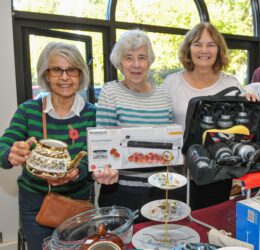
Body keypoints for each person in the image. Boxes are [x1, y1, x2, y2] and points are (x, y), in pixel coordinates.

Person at [0, 42, 96, 250]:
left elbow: (95, 155)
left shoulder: (93, 114)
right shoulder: (28, 111)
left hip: (78, 203)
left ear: (80, 75)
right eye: (56, 70)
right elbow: (4, 147)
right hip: (35, 203)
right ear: (46, 74)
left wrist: (76, 172)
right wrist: (11, 153)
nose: (64, 77)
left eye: (72, 69)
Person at [164, 22, 257, 210]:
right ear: (188, 48)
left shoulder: (231, 84)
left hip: (216, 172)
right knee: (177, 226)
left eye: (210, 44)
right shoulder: (171, 83)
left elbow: (242, 128)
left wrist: (249, 102)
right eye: (197, 44)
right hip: (177, 172)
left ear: (218, 50)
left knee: (211, 221)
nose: (204, 50)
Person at [96, 29, 174, 219]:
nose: (136, 64)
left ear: (149, 61)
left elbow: (169, 144)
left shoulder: (163, 95)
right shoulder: (110, 92)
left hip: (160, 189)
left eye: (142, 57)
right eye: (129, 58)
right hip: (120, 190)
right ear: (120, 63)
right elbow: (102, 143)